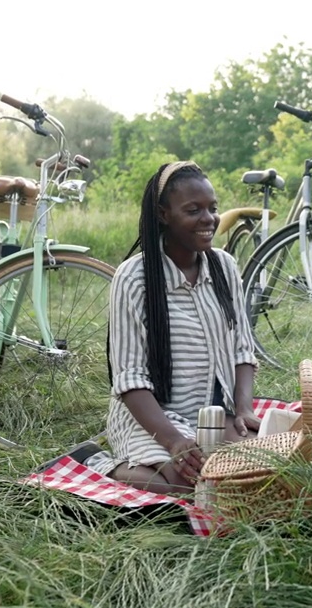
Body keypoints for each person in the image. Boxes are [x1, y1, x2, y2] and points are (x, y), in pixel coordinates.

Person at [104, 161, 260, 494]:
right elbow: (130, 379)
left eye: (213, 208)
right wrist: (175, 441)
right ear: (163, 215)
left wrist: (244, 408)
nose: (209, 220)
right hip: (154, 418)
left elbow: (243, 349)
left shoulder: (225, 267)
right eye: (193, 210)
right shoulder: (134, 278)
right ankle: (109, 466)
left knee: (261, 468)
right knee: (192, 484)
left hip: (215, 415)